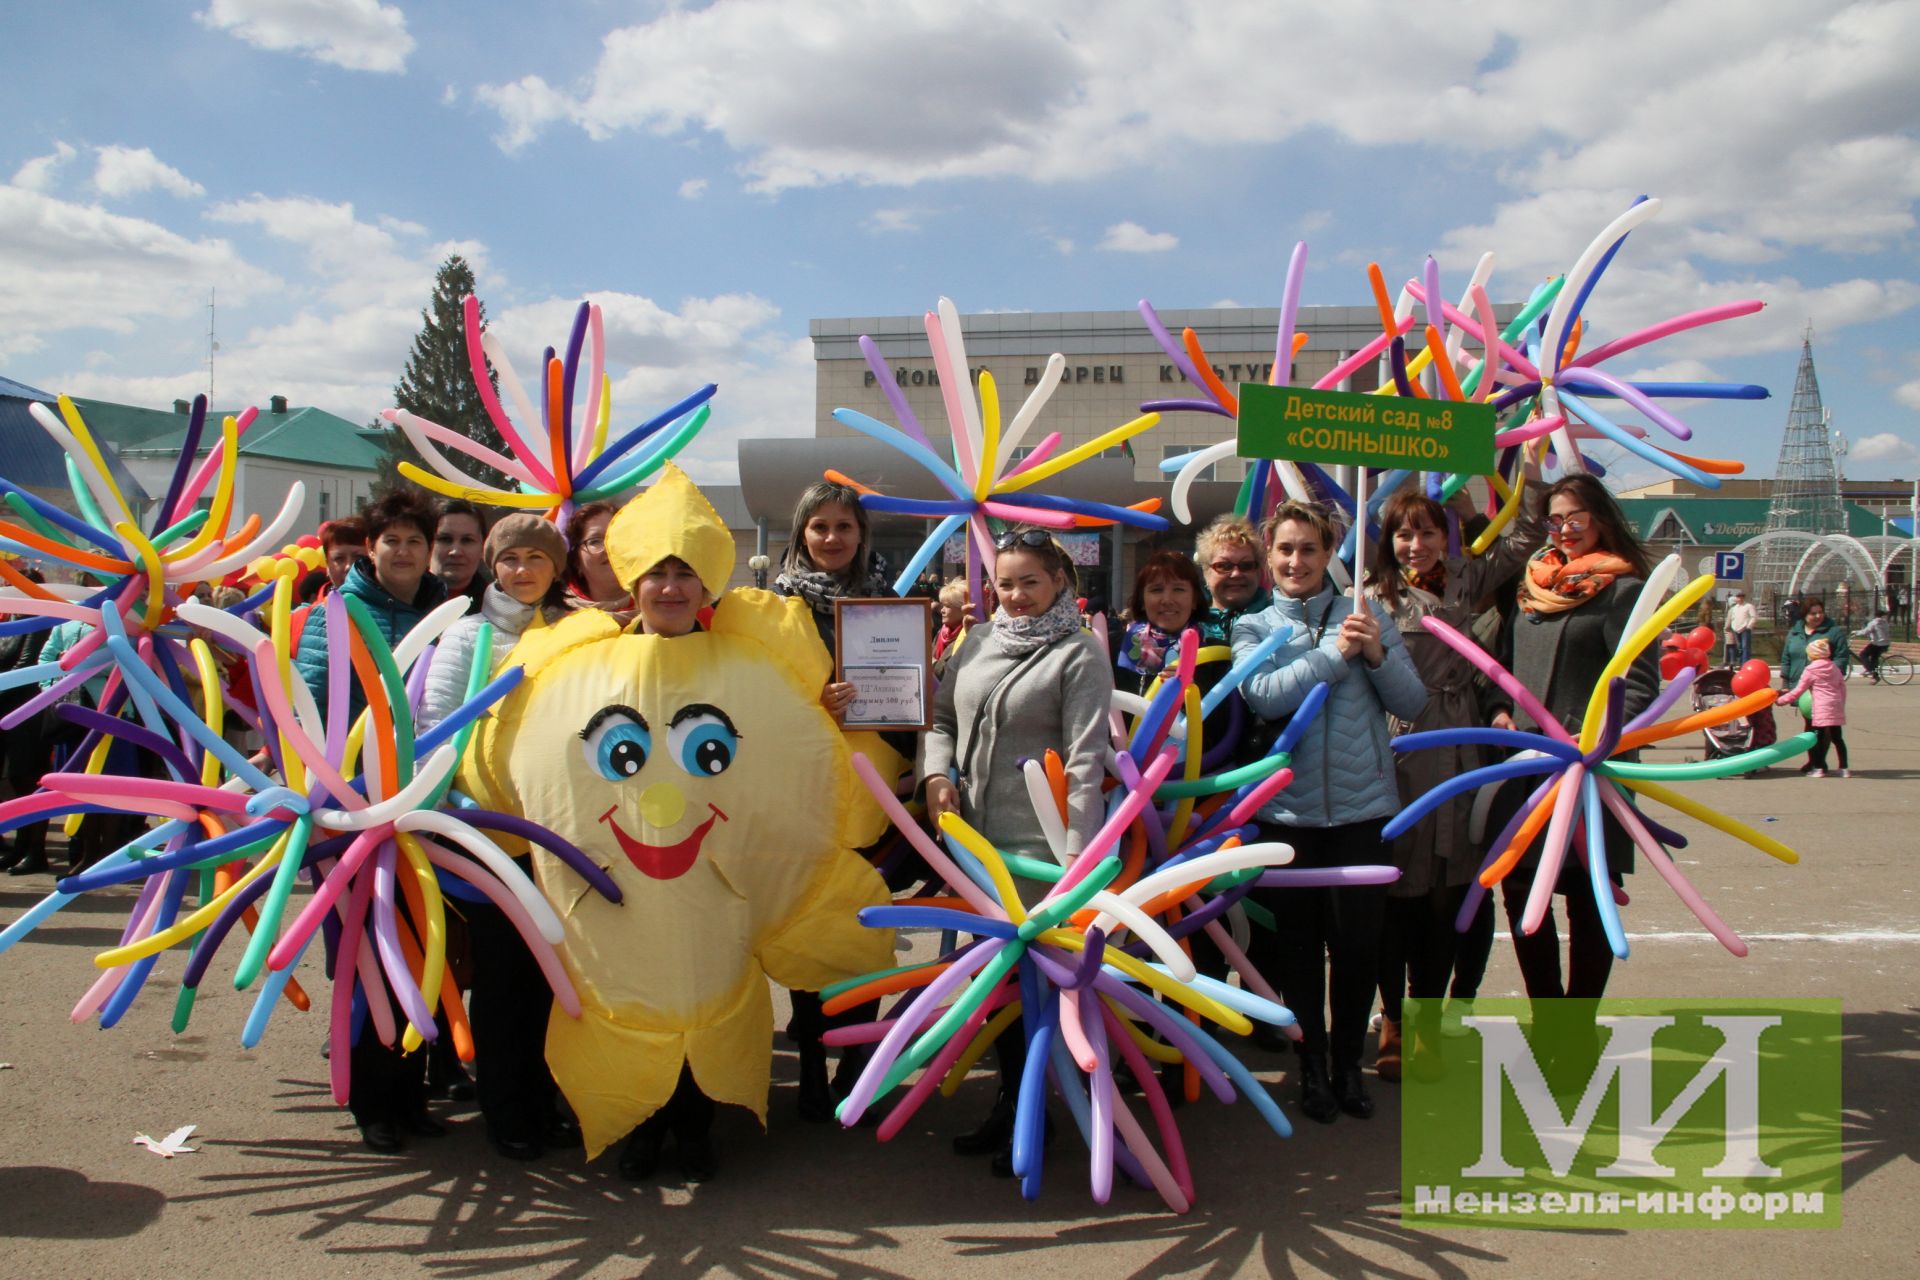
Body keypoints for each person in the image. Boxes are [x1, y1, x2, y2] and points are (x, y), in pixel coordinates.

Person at [921, 529, 1113, 1173]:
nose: (1018, 595)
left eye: (1031, 581)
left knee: (1046, 991)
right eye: (1006, 582)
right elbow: (941, 720)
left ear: (1059, 580)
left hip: (1043, 854)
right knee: (996, 988)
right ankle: (1012, 1103)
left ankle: (1053, 1113)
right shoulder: (976, 642)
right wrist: (936, 775)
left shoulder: (1078, 654)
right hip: (977, 847)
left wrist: (1076, 866)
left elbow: (1087, 761)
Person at [1234, 500, 1426, 1124]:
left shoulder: (1368, 619)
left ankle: (1349, 1067)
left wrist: (1375, 654)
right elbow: (1264, 697)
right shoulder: (1255, 628)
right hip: (1286, 819)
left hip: (1363, 814)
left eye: (1309, 550)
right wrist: (1331, 657)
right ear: (1270, 556)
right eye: (1285, 550)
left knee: (1357, 951)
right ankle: (1310, 1068)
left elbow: (1414, 702)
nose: (1296, 561)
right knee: (1297, 953)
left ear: (1329, 555)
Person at [1364, 473, 1543, 1080]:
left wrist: (1532, 479)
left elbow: (1522, 542)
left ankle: (1428, 1020)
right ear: (1387, 542)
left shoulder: (1467, 581)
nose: (1415, 545)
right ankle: (1391, 1019)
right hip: (1401, 746)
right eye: (1403, 535)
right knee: (1394, 893)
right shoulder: (1373, 597)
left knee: (1447, 892)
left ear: (1445, 536)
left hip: (1462, 748)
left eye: (1427, 532)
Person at [417, 514, 580, 1161]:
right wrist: (445, 813)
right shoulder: (465, 636)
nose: (522, 569)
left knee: (552, 981)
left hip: (560, 833)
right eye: (510, 558)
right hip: (488, 837)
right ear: (494, 564)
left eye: (536, 558)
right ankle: (507, 1110)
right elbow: (436, 727)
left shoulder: (572, 634)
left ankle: (544, 1100)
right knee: (503, 979)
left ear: (554, 568)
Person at [291, 491, 450, 1154]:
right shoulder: (340, 613)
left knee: (419, 953)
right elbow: (305, 709)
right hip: (355, 811)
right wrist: (330, 794)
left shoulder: (445, 611)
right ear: (373, 548)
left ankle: (409, 1095)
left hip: (425, 807)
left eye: (417, 540)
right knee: (367, 956)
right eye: (394, 541)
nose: (406, 552)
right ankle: (371, 1102)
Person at [1484, 473, 1659, 1005]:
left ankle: (1579, 1024)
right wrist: (1497, 710)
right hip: (1528, 769)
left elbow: (1642, 683)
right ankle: (1547, 1013)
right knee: (1520, 893)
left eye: (1575, 518)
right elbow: (1502, 667)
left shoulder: (1626, 592)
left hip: (1593, 772)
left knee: (1587, 899)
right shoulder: (1530, 589)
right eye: (1555, 520)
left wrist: (1598, 737)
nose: (1563, 530)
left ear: (1602, 520)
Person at [1110, 549, 1209, 698]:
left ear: (1194, 600)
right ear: (1142, 601)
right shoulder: (1114, 648)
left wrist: (1191, 695)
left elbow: (1224, 718)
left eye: (1178, 589)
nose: (1167, 600)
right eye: (1157, 590)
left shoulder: (1213, 655)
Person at [1195, 514, 1272, 645]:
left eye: (1246, 565)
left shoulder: (1276, 619)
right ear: (1205, 571)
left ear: (1259, 571)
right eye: (1224, 566)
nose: (1236, 574)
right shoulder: (1187, 621)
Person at [1779, 637, 1849, 777]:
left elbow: (1799, 690)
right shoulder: (1834, 667)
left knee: (1817, 739)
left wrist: (1781, 700)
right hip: (1835, 706)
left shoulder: (1810, 670)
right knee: (1838, 738)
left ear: (1812, 655)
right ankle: (1844, 768)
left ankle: (1818, 768)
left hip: (1821, 708)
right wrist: (1841, 703)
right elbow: (1842, 687)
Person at [563, 499, 634, 623]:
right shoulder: (554, 617)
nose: (609, 547)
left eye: (616, 537)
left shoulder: (662, 607)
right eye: (595, 541)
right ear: (576, 561)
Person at [432, 500, 490, 615]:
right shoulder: (401, 597)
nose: (456, 552)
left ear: (483, 548)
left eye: (467, 540)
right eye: (445, 539)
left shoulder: (497, 607)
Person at [1781, 598, 1850, 691]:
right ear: (1804, 615)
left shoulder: (1834, 632)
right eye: (1813, 614)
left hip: (1823, 689)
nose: (1818, 616)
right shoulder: (1794, 633)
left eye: (1821, 612)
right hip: (1796, 687)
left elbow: (1841, 658)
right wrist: (1785, 685)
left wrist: (1829, 678)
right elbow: (1786, 659)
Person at [321, 517, 368, 591]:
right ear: (327, 565)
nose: (348, 567)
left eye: (359, 557)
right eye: (339, 558)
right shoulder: (323, 603)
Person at [1853, 611, 1890, 683]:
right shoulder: (1885, 623)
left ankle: (1870, 670)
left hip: (1877, 644)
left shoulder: (1874, 623)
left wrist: (1856, 632)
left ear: (1875, 616)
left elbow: (1865, 631)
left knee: (1863, 654)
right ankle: (1874, 677)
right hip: (1885, 644)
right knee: (1874, 659)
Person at [1725, 590, 1756, 667]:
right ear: (1736, 598)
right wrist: (1733, 626)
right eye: (1738, 597)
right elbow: (1733, 618)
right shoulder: (1734, 608)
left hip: (1745, 629)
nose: (1740, 599)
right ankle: (1740, 663)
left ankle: (1744, 664)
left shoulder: (1749, 606)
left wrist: (1749, 626)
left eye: (1741, 597)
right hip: (1736, 630)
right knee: (1740, 647)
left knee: (1745, 647)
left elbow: (1753, 617)